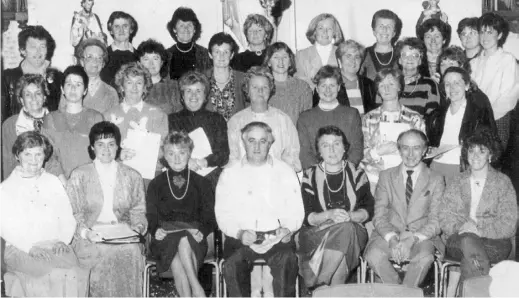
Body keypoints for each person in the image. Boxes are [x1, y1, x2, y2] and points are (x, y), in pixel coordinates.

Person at [216, 121, 304, 297]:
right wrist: (239, 233)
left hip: (277, 236)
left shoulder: (285, 171)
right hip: (242, 236)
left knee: (287, 260)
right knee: (233, 264)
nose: (256, 146)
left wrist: (288, 228)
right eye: (251, 140)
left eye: (262, 141)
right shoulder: (230, 174)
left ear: (270, 143)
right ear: (243, 142)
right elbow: (223, 214)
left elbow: (296, 210)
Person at [1, 132, 88, 297]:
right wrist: (30, 247)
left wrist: (63, 240)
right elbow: (6, 228)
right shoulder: (6, 188)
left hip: (55, 245)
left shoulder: (53, 181)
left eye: (38, 154)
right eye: (27, 154)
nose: (33, 160)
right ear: (17, 156)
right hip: (22, 249)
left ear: (45, 156)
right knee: (52, 274)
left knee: (73, 271)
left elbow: (67, 216)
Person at [67, 121, 147, 297]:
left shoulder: (132, 176)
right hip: (90, 234)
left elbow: (138, 211)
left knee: (131, 251)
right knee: (101, 252)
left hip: (123, 234)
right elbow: (73, 214)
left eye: (111, 144)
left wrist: (138, 228)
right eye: (100, 144)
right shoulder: (79, 175)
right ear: (92, 148)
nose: (106, 149)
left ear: (118, 147)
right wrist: (86, 233)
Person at [439, 128, 517, 294]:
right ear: (466, 154)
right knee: (468, 241)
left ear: (490, 155)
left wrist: (479, 230)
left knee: (470, 252)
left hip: (494, 242)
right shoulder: (456, 181)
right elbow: (444, 216)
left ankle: (456, 292)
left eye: (482, 151)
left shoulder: (503, 182)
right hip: (458, 239)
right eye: (471, 150)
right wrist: (463, 228)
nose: (475, 156)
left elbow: (509, 224)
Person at [364, 129, 444, 287]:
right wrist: (393, 239)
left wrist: (412, 240)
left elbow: (437, 220)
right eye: (405, 148)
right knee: (374, 256)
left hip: (422, 235)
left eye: (416, 148)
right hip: (390, 233)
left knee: (424, 258)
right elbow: (379, 215)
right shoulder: (386, 176)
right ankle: (402, 293)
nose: (410, 153)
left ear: (424, 151)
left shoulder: (436, 179)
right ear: (399, 150)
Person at [298, 126, 374, 289]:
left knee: (345, 229)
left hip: (354, 230)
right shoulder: (309, 175)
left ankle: (320, 284)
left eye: (337, 144)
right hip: (317, 233)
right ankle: (328, 290)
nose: (332, 150)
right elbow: (307, 216)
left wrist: (350, 216)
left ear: (345, 147)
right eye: (325, 145)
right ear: (319, 151)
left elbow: (368, 209)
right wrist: (329, 214)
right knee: (343, 239)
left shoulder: (357, 173)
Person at [147, 131, 216, 297]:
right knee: (180, 240)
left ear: (189, 153)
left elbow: (210, 215)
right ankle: (197, 289)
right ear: (164, 155)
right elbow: (151, 214)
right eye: (171, 153)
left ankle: (192, 292)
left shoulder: (202, 182)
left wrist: (202, 231)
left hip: (195, 237)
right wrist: (156, 229)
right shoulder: (156, 183)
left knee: (183, 243)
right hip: (165, 237)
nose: (177, 159)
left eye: (182, 153)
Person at [361, 68, 426, 188]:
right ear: (378, 90)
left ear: (399, 87)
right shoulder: (368, 118)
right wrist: (377, 152)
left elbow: (422, 151)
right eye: (382, 85)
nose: (386, 89)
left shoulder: (414, 118)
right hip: (375, 180)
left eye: (391, 84)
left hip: (406, 179)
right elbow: (363, 154)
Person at [227, 66, 301, 172]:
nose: (260, 91)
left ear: (270, 90)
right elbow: (232, 159)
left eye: (265, 87)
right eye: (255, 87)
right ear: (247, 90)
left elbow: (293, 156)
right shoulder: (236, 121)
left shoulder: (283, 120)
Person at [104, 62, 169, 180]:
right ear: (122, 87)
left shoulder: (158, 114)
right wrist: (118, 154)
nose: (134, 87)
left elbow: (163, 150)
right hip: (118, 176)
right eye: (129, 82)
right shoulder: (108, 115)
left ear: (145, 87)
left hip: (150, 176)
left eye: (139, 83)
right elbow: (102, 150)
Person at [429, 67, 497, 177]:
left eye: (457, 83)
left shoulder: (479, 113)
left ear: (466, 86)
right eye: (447, 84)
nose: (452, 88)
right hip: (436, 167)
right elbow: (431, 143)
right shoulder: (436, 114)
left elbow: (490, 144)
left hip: (463, 167)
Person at [168, 71, 229, 188]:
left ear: (205, 95)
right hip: (181, 177)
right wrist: (186, 161)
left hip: (211, 179)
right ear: (182, 95)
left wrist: (205, 162)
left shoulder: (216, 119)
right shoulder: (171, 120)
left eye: (198, 91)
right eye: (188, 91)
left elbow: (223, 154)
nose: (193, 96)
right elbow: (165, 153)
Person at [43, 65, 104, 179]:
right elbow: (49, 156)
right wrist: (63, 182)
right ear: (62, 89)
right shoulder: (50, 119)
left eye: (78, 84)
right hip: (59, 184)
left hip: (89, 182)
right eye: (69, 84)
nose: (73, 88)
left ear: (85, 90)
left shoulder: (96, 118)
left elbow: (100, 154)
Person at [297, 65, 363, 170]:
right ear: (317, 89)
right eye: (323, 86)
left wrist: (342, 172)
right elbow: (305, 153)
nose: (328, 90)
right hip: (316, 176)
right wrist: (319, 173)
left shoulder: (352, 114)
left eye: (332, 85)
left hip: (346, 173)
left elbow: (356, 149)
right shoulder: (304, 118)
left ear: (339, 87)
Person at [470, 12, 519, 152]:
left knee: (492, 163)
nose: (484, 37)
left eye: (490, 32)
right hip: (474, 120)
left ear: (499, 35)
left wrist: (487, 118)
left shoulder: (508, 60)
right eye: (482, 32)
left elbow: (509, 96)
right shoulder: (474, 62)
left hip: (498, 120)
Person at [2, 74, 64, 181]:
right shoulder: (10, 124)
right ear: (21, 100)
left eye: (38, 93)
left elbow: (61, 158)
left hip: (53, 182)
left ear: (44, 97)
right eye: (28, 94)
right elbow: (8, 163)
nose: (33, 98)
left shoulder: (57, 121)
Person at [2, 25, 62, 122]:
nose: (38, 52)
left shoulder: (56, 78)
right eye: (33, 47)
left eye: (42, 47)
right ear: (23, 50)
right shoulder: (7, 78)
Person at [263, 41, 312, 125]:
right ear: (269, 62)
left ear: (290, 62)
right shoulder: (262, 86)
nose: (281, 61)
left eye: (285, 57)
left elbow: (307, 120)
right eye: (276, 57)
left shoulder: (302, 87)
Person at [205, 32, 247, 121]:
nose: (221, 56)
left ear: (231, 55)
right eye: (217, 52)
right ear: (210, 54)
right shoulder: (201, 79)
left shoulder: (244, 79)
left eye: (226, 52)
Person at [396, 37, 443, 118]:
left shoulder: (430, 84)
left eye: (415, 55)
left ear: (420, 60)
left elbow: (432, 117)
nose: (410, 58)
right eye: (405, 55)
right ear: (400, 60)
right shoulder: (390, 82)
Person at [295, 13, 344, 89]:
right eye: (321, 28)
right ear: (314, 31)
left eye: (329, 29)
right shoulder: (301, 55)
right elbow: (300, 85)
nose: (325, 32)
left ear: (334, 32)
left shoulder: (343, 53)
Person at [136, 39, 183, 115]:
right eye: (146, 59)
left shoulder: (173, 86)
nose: (151, 63)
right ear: (139, 63)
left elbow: (179, 115)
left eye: (155, 58)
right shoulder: (134, 87)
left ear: (161, 62)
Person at [166, 7, 212, 80]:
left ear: (194, 29)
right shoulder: (166, 55)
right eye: (181, 25)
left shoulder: (205, 55)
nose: (186, 29)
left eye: (189, 25)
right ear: (174, 29)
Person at [75, 38, 119, 113]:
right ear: (82, 62)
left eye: (99, 58)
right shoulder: (72, 88)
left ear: (103, 64)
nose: (95, 61)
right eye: (90, 57)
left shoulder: (111, 93)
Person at [333, 39, 377, 114]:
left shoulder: (369, 84)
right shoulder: (331, 83)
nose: (353, 61)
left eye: (357, 57)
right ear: (339, 60)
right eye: (348, 56)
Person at [359, 9, 402, 81]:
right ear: (374, 31)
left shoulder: (400, 54)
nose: (384, 30)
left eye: (389, 26)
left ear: (394, 32)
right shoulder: (364, 54)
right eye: (381, 26)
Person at [100, 11, 138, 85]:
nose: (121, 30)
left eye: (125, 26)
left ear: (131, 29)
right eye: (117, 26)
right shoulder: (103, 55)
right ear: (111, 31)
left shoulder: (139, 56)